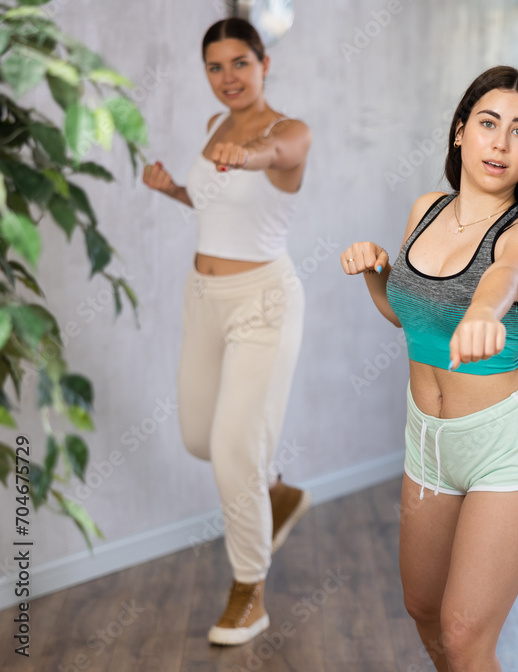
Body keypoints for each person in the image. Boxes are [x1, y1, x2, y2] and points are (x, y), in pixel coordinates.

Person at [342, 66, 518, 672]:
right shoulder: (426, 209)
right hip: (428, 441)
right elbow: (407, 317)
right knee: (423, 607)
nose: (501, 142)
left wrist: (486, 311)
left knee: (466, 634)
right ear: (461, 132)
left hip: (507, 445)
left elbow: (504, 277)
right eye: (489, 124)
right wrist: (375, 274)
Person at [141, 18, 313, 646]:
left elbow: (278, 158)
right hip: (203, 297)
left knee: (234, 449)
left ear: (264, 62)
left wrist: (255, 155)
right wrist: (176, 191)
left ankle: (249, 593)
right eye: (215, 67)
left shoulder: (287, 130)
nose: (228, 78)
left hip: (263, 301)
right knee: (199, 437)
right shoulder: (215, 127)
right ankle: (277, 492)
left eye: (239, 62)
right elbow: (219, 208)